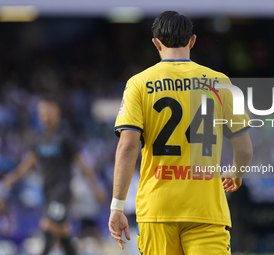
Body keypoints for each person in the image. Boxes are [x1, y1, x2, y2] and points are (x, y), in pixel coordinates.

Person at [108, 11, 253, 255]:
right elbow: (245, 150)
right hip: (206, 208)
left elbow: (127, 147)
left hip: (158, 208)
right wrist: (236, 172)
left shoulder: (138, 83)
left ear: (156, 43)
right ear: (192, 40)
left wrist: (117, 206)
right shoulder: (221, 82)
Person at [3, 95, 105, 255]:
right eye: (41, 113)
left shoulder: (65, 137)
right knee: (62, 230)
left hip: (63, 190)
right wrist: (13, 177)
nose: (44, 116)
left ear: (56, 113)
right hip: (48, 191)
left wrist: (96, 188)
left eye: (47, 112)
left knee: (48, 225)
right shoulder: (38, 139)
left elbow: (83, 165)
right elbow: (29, 163)